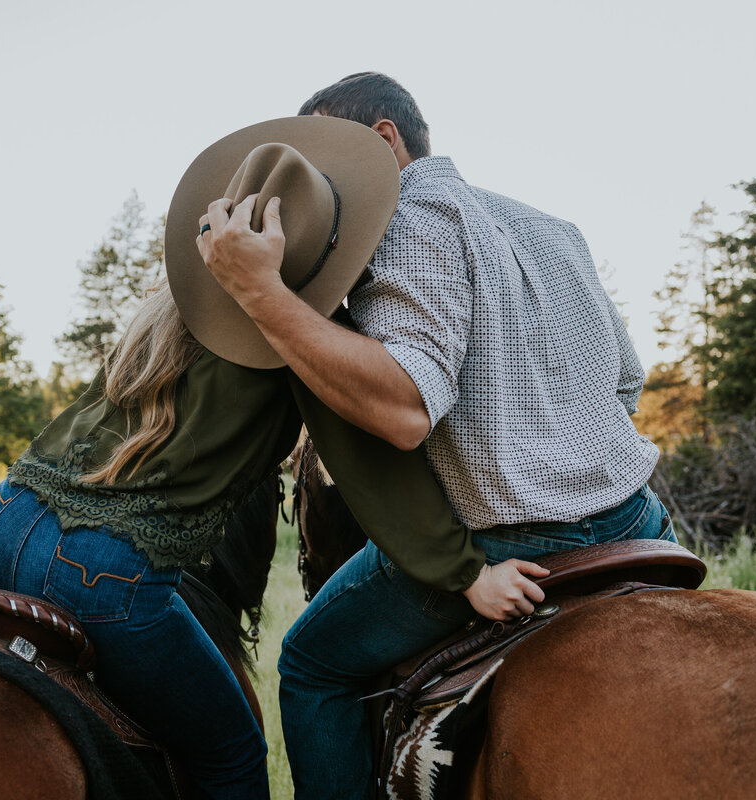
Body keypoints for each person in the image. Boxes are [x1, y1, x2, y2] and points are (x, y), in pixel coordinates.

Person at [0, 115, 472, 800]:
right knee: (231, 749)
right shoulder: (302, 339)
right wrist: (464, 571)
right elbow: (378, 481)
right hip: (102, 575)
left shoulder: (164, 313)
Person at [197, 72, 677, 798]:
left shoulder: (406, 214)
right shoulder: (550, 227)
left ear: (384, 138)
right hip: (635, 516)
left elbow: (405, 409)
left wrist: (264, 295)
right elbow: (626, 380)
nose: (321, 194)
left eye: (327, 159)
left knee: (309, 666)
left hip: (511, 536)